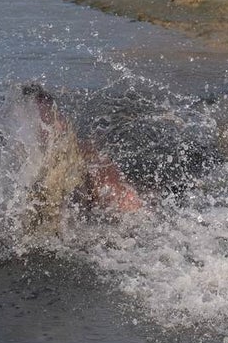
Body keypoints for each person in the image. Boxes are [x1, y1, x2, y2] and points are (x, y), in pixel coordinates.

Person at [21, 84, 143, 234]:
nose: (56, 125)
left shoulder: (87, 156)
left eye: (53, 119)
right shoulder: (6, 161)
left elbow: (128, 204)